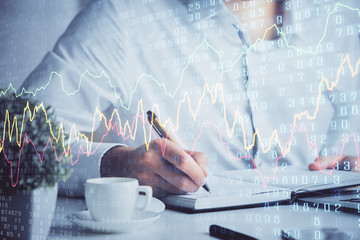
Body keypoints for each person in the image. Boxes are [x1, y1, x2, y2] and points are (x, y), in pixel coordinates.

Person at [20, 0, 360, 198]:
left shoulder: (342, 18)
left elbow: (348, 144)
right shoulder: (124, 15)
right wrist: (115, 167)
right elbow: (15, 141)